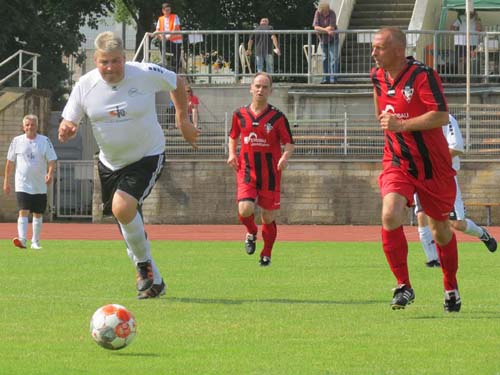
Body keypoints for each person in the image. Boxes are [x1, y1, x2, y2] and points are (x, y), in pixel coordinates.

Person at [58, 31, 198, 299]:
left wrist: (183, 120)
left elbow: (176, 82)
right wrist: (67, 128)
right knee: (126, 221)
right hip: (110, 163)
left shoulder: (143, 72)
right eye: (103, 62)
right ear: (95, 61)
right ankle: (154, 281)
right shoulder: (85, 85)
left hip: (147, 155)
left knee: (122, 208)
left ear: (124, 58)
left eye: (115, 61)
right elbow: (70, 121)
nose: (110, 68)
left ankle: (143, 265)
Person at [371, 27, 461, 312]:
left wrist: (402, 125)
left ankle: (450, 286)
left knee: (441, 230)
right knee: (390, 213)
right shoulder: (376, 78)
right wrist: (394, 129)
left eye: (379, 48)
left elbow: (441, 115)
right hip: (398, 162)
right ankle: (403, 285)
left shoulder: (423, 75)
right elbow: (382, 115)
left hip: (433, 166)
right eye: (373, 48)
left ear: (398, 50)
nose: (373, 53)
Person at [227, 72, 295, 266]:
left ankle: (266, 253)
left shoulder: (277, 117)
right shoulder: (239, 114)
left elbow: (289, 143)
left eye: (265, 87)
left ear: (270, 91)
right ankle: (251, 231)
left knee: (268, 216)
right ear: (251, 88)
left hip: (270, 173)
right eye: (257, 86)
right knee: (245, 207)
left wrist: (284, 157)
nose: (260, 90)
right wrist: (232, 154)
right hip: (247, 169)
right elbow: (233, 136)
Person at [415, 114, 497, 267]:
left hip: (445, 177)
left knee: (457, 224)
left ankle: (482, 233)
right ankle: (432, 260)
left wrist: (433, 159)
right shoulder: (414, 119)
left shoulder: (446, 119)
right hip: (422, 176)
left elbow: (457, 147)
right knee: (422, 214)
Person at [3, 114, 57, 250]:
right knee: (23, 210)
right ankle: (22, 240)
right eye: (27, 125)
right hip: (22, 183)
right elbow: (9, 162)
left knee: (38, 213)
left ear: (36, 126)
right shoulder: (16, 141)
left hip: (39, 184)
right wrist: (6, 181)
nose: (30, 127)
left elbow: (51, 160)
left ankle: (35, 242)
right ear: (23, 127)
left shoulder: (44, 141)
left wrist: (50, 174)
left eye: (32, 124)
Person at [313, 0, 339, 84]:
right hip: (323, 40)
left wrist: (322, 30)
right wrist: (326, 30)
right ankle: (325, 78)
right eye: (325, 10)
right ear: (322, 9)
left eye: (327, 9)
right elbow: (315, 27)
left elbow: (331, 27)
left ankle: (333, 79)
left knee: (333, 59)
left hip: (333, 39)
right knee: (325, 59)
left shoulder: (332, 13)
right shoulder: (317, 13)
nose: (327, 11)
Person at [451, 9, 482, 75]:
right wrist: (457, 33)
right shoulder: (461, 18)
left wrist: (477, 20)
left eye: (472, 11)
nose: (470, 13)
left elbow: (479, 29)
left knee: (472, 60)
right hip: (461, 43)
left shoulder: (477, 19)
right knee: (462, 60)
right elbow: (452, 27)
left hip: (473, 43)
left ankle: (472, 77)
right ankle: (461, 76)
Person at [155, 2, 183, 72]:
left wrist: (167, 37)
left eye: (169, 10)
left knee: (175, 59)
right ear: (163, 11)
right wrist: (161, 37)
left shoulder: (175, 16)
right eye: (166, 10)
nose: (168, 12)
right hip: (165, 41)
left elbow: (175, 28)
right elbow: (157, 30)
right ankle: (167, 70)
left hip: (175, 41)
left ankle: (175, 73)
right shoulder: (160, 19)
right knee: (166, 58)